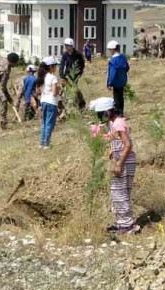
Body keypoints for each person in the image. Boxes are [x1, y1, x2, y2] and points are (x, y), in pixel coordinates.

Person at [89, 97, 139, 235]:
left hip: (123, 162)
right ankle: (121, 223)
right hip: (124, 161)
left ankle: (127, 226)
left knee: (119, 193)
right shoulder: (115, 123)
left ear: (108, 111)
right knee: (120, 193)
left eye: (101, 114)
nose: (100, 117)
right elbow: (117, 141)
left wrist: (118, 164)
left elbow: (128, 144)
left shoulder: (117, 123)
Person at [38, 57, 62, 149]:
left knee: (44, 123)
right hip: (51, 102)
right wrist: (59, 89)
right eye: (55, 66)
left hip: (43, 101)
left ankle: (42, 142)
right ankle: (46, 144)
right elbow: (54, 92)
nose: (56, 68)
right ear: (51, 67)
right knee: (49, 124)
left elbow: (39, 90)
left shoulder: (42, 77)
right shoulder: (53, 78)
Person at [59, 38, 86, 111]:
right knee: (65, 91)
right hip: (66, 76)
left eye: (67, 46)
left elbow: (82, 65)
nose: (66, 48)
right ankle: (67, 105)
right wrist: (61, 75)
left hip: (75, 76)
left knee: (73, 90)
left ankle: (76, 104)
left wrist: (79, 74)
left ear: (71, 46)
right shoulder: (65, 54)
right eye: (65, 46)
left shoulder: (78, 55)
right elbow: (62, 65)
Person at [106, 40, 130, 114]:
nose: (109, 51)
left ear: (113, 49)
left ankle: (117, 113)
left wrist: (109, 83)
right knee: (121, 97)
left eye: (110, 50)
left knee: (116, 98)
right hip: (123, 81)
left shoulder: (113, 61)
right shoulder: (123, 57)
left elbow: (112, 73)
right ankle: (121, 112)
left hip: (115, 82)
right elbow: (127, 68)